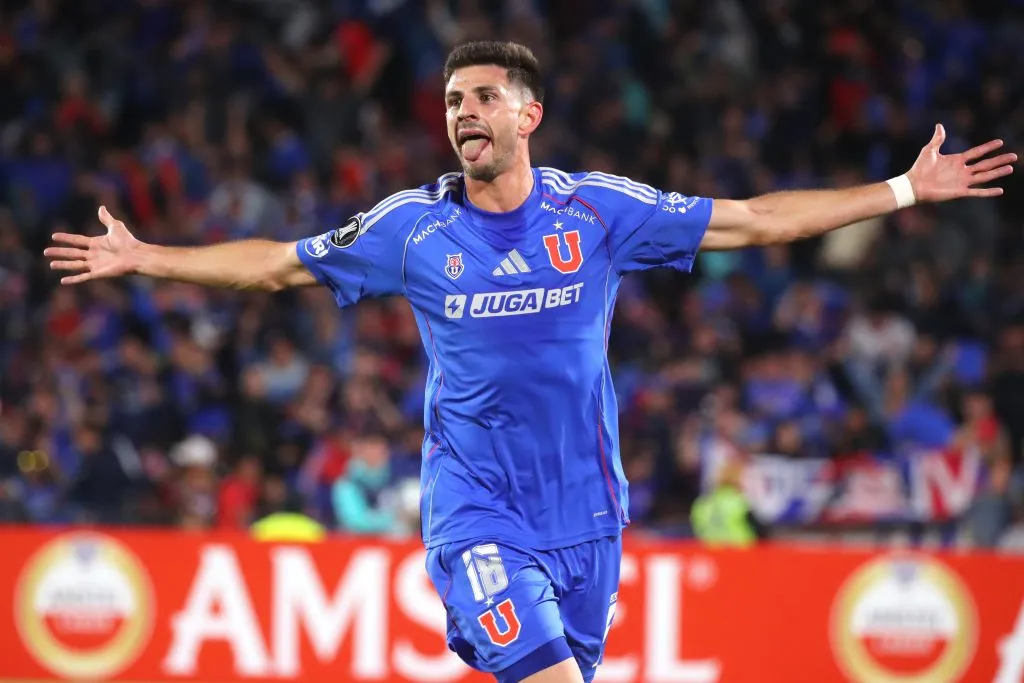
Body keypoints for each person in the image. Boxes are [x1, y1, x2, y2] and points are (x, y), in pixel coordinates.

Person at [45, 40, 1015, 683]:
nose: (462, 112)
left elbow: (757, 220)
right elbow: (275, 266)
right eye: (450, 101)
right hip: (476, 508)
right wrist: (147, 256)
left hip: (586, 514)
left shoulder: (596, 211)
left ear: (528, 114)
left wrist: (901, 190)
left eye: (483, 97)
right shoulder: (411, 227)